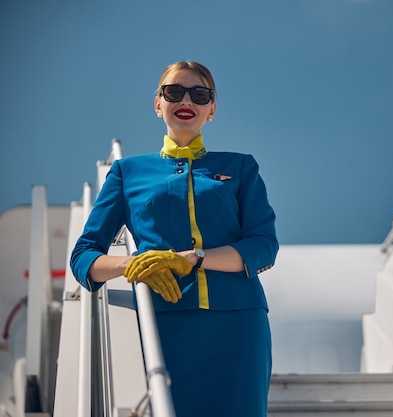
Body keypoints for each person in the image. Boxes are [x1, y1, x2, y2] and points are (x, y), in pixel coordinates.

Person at [70, 61, 279, 417]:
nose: (187, 100)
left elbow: (263, 246)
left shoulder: (242, 167)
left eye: (200, 94)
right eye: (173, 91)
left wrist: (194, 258)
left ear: (211, 109)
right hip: (162, 322)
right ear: (158, 104)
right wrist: (131, 264)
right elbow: (83, 257)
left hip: (238, 324)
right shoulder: (126, 172)